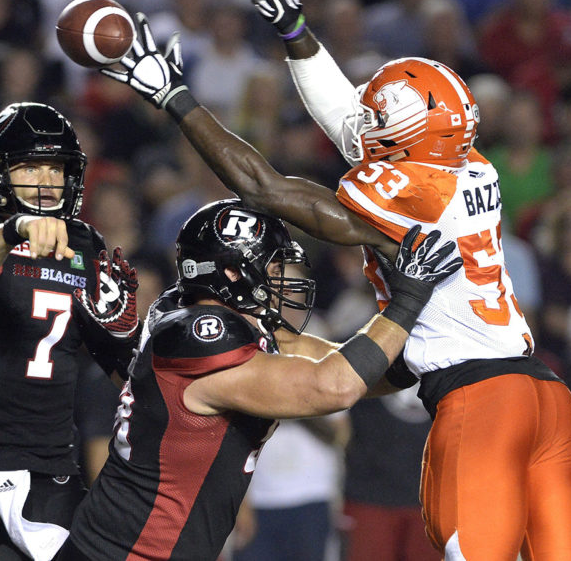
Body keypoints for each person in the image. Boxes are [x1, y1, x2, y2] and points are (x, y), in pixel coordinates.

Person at [98, 0, 571, 561]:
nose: (366, 124)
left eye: (381, 119)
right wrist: (298, 35)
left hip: (483, 402)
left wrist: (176, 98)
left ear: (404, 134)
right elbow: (349, 126)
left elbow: (266, 187)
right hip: (546, 396)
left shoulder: (409, 193)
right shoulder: (472, 170)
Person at [68, 198, 461, 560]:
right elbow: (335, 385)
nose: (282, 281)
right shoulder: (203, 338)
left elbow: (353, 369)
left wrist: (433, 350)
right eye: (273, 269)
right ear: (232, 272)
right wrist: (409, 298)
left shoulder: (213, 321)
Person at [0, 102, 140, 561]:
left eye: (55, 169)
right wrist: (13, 229)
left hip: (50, 470)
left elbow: (122, 370)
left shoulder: (85, 244)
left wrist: (124, 335)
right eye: (30, 167)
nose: (46, 181)